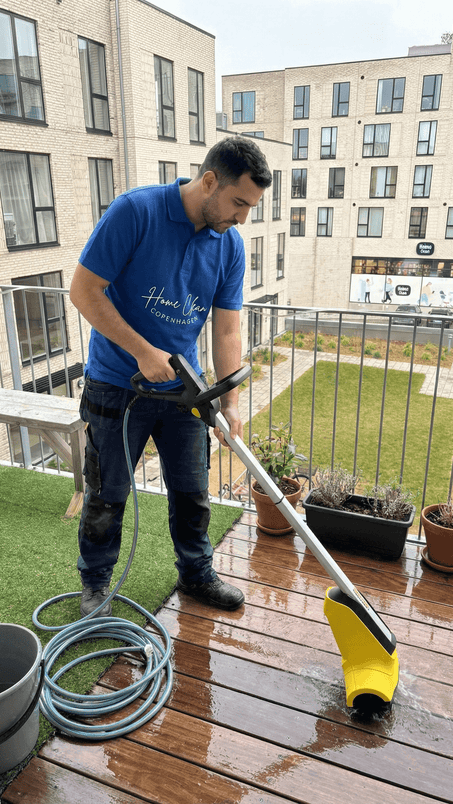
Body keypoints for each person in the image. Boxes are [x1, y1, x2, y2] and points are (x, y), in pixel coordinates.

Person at [69, 136, 272, 616]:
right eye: (239, 203)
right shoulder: (135, 212)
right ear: (209, 181)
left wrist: (231, 403)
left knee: (192, 491)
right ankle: (95, 584)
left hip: (185, 392)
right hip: (117, 386)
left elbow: (227, 328)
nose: (243, 218)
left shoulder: (229, 245)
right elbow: (83, 291)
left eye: (251, 207)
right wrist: (141, 351)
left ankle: (197, 574)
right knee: (106, 494)